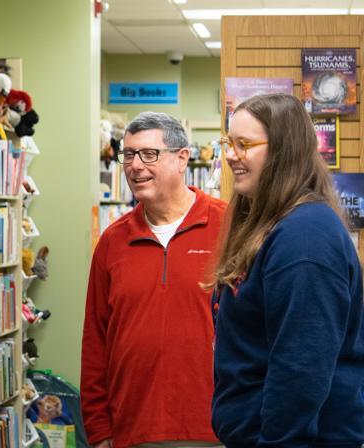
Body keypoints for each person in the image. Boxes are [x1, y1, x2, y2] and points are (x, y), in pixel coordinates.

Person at [211, 93, 364, 447]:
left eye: (244, 144)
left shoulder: (305, 238)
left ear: (283, 150)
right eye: (229, 143)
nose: (231, 155)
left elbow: (300, 372)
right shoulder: (272, 224)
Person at [81, 112, 226, 448]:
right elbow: (95, 339)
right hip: (134, 429)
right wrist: (99, 430)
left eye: (149, 154)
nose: (135, 165)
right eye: (129, 154)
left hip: (217, 429)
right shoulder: (113, 241)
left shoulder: (229, 225)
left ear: (182, 159)